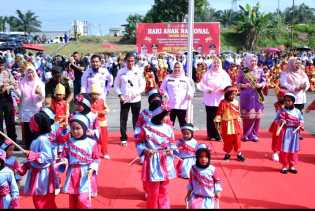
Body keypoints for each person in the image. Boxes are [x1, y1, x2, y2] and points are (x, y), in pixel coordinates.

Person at [135, 104, 177, 209]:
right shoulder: (146, 127)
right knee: (153, 189)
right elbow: (139, 142)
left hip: (165, 160)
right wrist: (145, 150)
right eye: (166, 115)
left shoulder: (168, 128)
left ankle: (164, 206)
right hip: (152, 160)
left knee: (164, 188)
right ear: (159, 115)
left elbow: (172, 143)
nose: (168, 118)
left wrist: (171, 150)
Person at [62, 114, 99, 208]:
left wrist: (92, 169)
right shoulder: (69, 142)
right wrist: (64, 160)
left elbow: (96, 159)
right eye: (73, 128)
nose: (75, 131)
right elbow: (64, 155)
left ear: (85, 128)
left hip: (85, 173)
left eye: (78, 128)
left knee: (83, 198)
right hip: (72, 173)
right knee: (73, 198)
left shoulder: (91, 143)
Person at [22, 112, 57, 208]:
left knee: (42, 200)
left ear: (36, 126)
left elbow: (48, 157)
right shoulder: (37, 139)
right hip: (37, 173)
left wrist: (32, 155)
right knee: (38, 200)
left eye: (31, 123)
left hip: (43, 175)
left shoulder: (43, 140)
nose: (29, 125)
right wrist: (26, 165)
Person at [114, 52, 146, 146]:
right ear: (125, 61)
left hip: (136, 99)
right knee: (123, 119)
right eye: (128, 61)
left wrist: (136, 93)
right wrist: (120, 95)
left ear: (135, 61)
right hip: (124, 99)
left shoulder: (139, 70)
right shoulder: (121, 71)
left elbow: (143, 85)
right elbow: (116, 85)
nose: (130, 63)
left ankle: (137, 136)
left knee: (136, 119)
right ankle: (123, 138)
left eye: (132, 61)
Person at [198, 56, 231, 141]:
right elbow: (201, 84)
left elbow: (228, 84)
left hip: (220, 99)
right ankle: (211, 135)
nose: (216, 64)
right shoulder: (207, 73)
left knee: (220, 117)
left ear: (220, 64)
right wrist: (207, 89)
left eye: (218, 63)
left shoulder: (224, 74)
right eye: (215, 63)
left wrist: (222, 88)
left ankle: (219, 135)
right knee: (210, 118)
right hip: (209, 99)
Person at [237, 54, 266, 142]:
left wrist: (260, 85)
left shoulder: (260, 71)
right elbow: (237, 83)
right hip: (246, 96)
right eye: (251, 61)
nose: (253, 62)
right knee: (247, 117)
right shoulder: (243, 71)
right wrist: (244, 85)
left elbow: (264, 81)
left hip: (258, 95)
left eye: (254, 61)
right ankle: (246, 135)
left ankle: (254, 135)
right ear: (247, 61)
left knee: (256, 117)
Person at [16, 64, 45, 149]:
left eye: (32, 72)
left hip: (36, 110)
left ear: (35, 73)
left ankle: (36, 149)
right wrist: (16, 89)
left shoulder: (39, 83)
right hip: (26, 110)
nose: (30, 74)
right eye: (28, 72)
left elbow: (42, 98)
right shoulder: (22, 82)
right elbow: (19, 95)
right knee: (27, 131)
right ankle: (28, 149)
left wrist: (39, 93)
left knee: (36, 130)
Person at [185, 144, 222, 209]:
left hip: (209, 196)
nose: (203, 159)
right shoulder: (193, 168)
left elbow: (217, 181)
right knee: (194, 206)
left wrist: (217, 191)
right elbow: (190, 182)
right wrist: (188, 194)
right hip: (197, 196)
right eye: (201, 157)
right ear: (197, 158)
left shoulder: (212, 169)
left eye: (206, 157)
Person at [275, 93, 304, 174]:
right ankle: (284, 165)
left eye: (289, 101)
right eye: (286, 101)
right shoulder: (282, 110)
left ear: (293, 102)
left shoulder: (297, 111)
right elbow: (276, 120)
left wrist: (301, 124)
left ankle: (292, 165)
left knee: (293, 149)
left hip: (294, 133)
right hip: (285, 132)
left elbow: (301, 120)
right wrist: (281, 121)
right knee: (285, 149)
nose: (287, 102)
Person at [214, 86, 245, 161]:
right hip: (226, 124)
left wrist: (239, 118)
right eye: (231, 94)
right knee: (227, 140)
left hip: (235, 123)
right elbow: (219, 112)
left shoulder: (236, 102)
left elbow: (238, 112)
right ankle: (227, 153)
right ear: (227, 94)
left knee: (237, 139)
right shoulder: (223, 102)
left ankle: (239, 153)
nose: (233, 96)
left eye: (234, 94)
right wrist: (218, 119)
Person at [160, 62, 195, 128]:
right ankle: (168, 137)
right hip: (170, 105)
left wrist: (190, 94)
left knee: (183, 124)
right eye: (175, 67)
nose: (177, 69)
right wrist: (165, 94)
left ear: (181, 68)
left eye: (178, 67)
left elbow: (191, 89)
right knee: (168, 124)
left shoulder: (186, 79)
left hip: (182, 105)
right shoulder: (167, 78)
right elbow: (162, 88)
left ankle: (185, 137)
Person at [89, 84, 110, 159]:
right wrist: (96, 112)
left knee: (103, 138)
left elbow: (107, 109)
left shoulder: (102, 101)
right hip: (93, 123)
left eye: (96, 94)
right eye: (93, 94)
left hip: (102, 122)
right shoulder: (89, 102)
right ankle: (94, 152)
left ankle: (105, 152)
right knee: (94, 138)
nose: (95, 96)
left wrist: (104, 112)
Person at [0, 57, 17, 143]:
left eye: (2, 65)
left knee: (10, 120)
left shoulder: (7, 73)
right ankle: (1, 141)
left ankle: (12, 141)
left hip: (7, 98)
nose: (1, 67)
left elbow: (14, 84)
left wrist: (7, 87)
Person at [268, 89, 286, 162]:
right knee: (276, 138)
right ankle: (275, 152)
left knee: (285, 139)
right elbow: (279, 112)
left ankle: (284, 151)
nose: (279, 98)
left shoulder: (289, 104)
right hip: (278, 123)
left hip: (286, 124)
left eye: (281, 96)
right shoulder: (277, 104)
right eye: (278, 96)